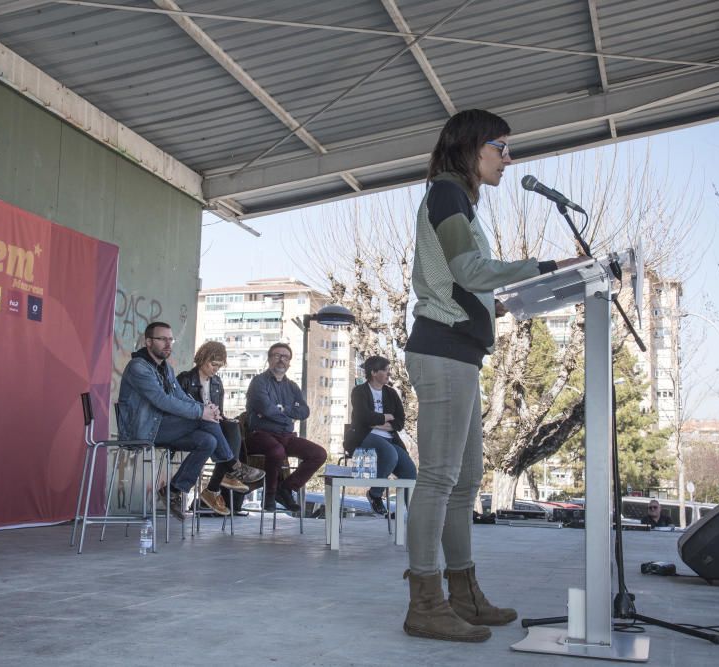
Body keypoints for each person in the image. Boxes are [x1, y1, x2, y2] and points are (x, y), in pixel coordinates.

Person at [401, 109, 582, 643]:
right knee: (438, 479)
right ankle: (425, 603)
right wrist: (542, 268)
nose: (509, 158)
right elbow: (470, 272)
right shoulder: (447, 194)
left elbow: (466, 284)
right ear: (472, 146)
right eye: (501, 147)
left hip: (462, 354)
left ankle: (463, 594)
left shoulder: (456, 198)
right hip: (443, 352)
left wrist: (502, 306)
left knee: (465, 482)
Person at [117, 322, 263, 521]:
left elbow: (180, 396)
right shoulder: (138, 367)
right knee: (205, 422)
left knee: (208, 441)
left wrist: (206, 409)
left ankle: (174, 490)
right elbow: (162, 400)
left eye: (171, 339)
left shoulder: (165, 368)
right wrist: (200, 412)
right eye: (162, 339)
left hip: (161, 427)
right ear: (148, 342)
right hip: (142, 431)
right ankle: (232, 467)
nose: (168, 344)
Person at [177, 340, 263, 517]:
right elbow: (179, 408)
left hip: (211, 425)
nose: (215, 369)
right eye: (213, 364)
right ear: (202, 358)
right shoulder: (185, 379)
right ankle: (228, 473)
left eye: (219, 366)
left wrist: (219, 416)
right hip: (191, 425)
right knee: (219, 432)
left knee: (233, 426)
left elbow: (220, 411)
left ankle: (224, 477)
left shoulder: (217, 382)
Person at [245, 342, 328, 512]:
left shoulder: (293, 387)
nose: (281, 360)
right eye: (277, 355)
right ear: (269, 359)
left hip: (286, 436)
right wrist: (288, 415)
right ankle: (269, 495)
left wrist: (282, 409)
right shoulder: (259, 382)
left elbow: (304, 412)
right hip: (259, 434)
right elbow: (266, 409)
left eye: (285, 357)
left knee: (318, 454)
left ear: (289, 362)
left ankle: (286, 488)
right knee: (277, 451)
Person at [345, 355, 417, 515]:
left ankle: (414, 516)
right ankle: (375, 494)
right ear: (374, 372)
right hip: (364, 437)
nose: (388, 374)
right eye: (385, 370)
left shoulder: (391, 393)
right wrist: (386, 417)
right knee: (390, 455)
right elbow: (364, 418)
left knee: (410, 471)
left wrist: (377, 422)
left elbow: (399, 422)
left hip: (390, 439)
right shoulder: (359, 391)